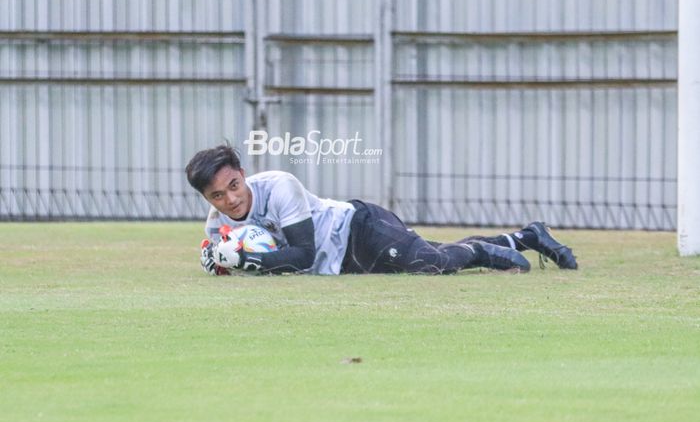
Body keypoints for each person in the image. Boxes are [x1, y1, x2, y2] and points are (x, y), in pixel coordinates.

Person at [185, 144, 578, 276]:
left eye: (233, 186)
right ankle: (528, 236)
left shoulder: (280, 186)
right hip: (341, 266)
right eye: (217, 196)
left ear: (243, 174)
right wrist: (220, 262)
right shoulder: (218, 223)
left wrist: (247, 260)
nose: (230, 200)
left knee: (431, 265)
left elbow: (302, 255)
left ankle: (480, 252)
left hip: (358, 228)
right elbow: (227, 256)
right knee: (431, 252)